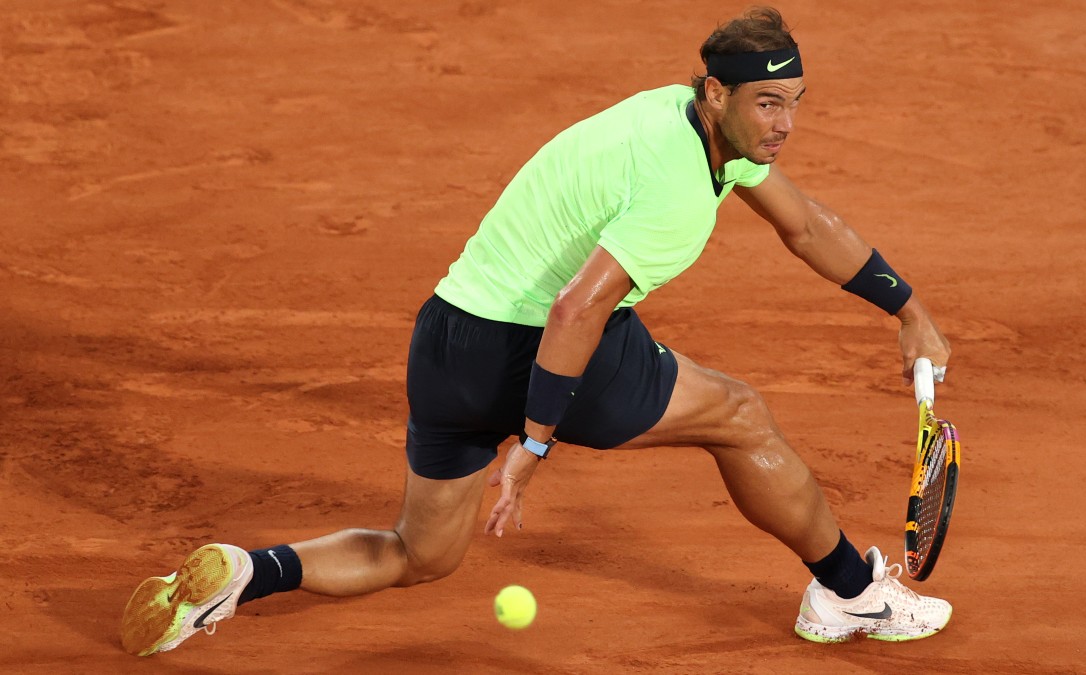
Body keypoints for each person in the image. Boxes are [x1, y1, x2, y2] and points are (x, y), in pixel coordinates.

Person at [120, 7, 953, 656]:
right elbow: (577, 309)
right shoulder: (671, 190)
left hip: (445, 339)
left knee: (421, 553)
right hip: (539, 349)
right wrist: (536, 441)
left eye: (795, 104)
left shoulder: (678, 118)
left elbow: (805, 224)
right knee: (738, 415)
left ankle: (241, 576)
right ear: (717, 94)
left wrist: (906, 307)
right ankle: (849, 592)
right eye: (768, 104)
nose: (784, 125)